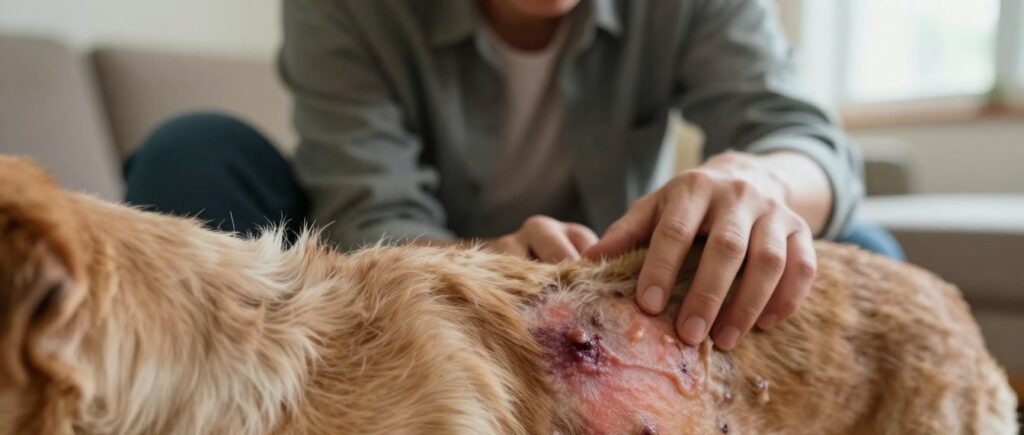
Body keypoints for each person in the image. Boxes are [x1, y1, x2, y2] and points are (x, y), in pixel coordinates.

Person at [124, 0, 904, 351]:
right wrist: (482, 268)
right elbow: (368, 216)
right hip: (404, 286)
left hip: (614, 283)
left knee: (861, 258)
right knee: (193, 156)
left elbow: (806, 138)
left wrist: (761, 183)